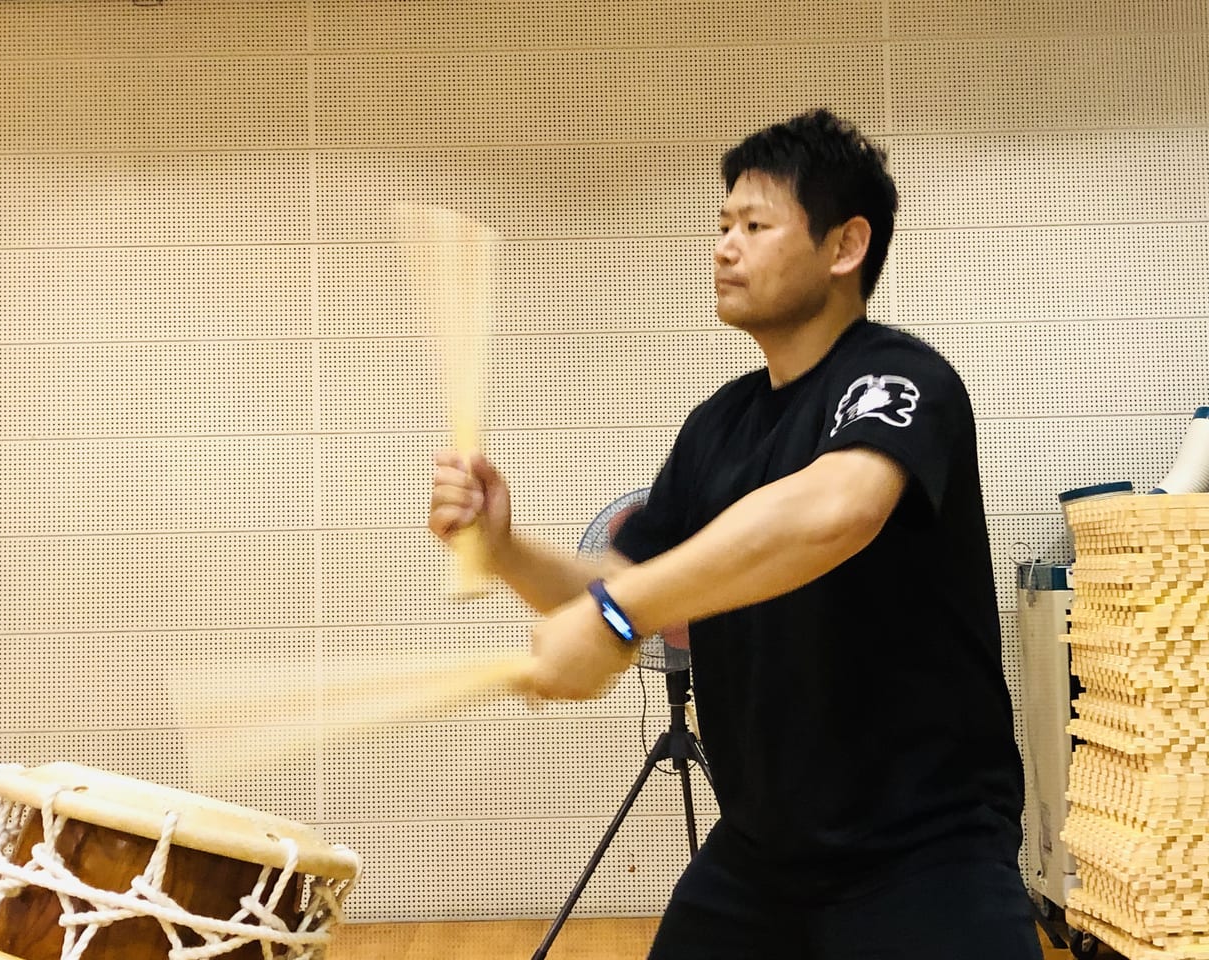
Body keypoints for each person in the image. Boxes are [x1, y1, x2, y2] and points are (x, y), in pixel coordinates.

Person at [428, 109, 1039, 959]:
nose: (723, 246)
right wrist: (506, 549)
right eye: (721, 226)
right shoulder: (718, 426)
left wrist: (617, 614)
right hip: (760, 856)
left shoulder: (901, 378)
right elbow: (625, 575)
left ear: (845, 245)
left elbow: (835, 511)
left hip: (925, 856)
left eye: (754, 225)